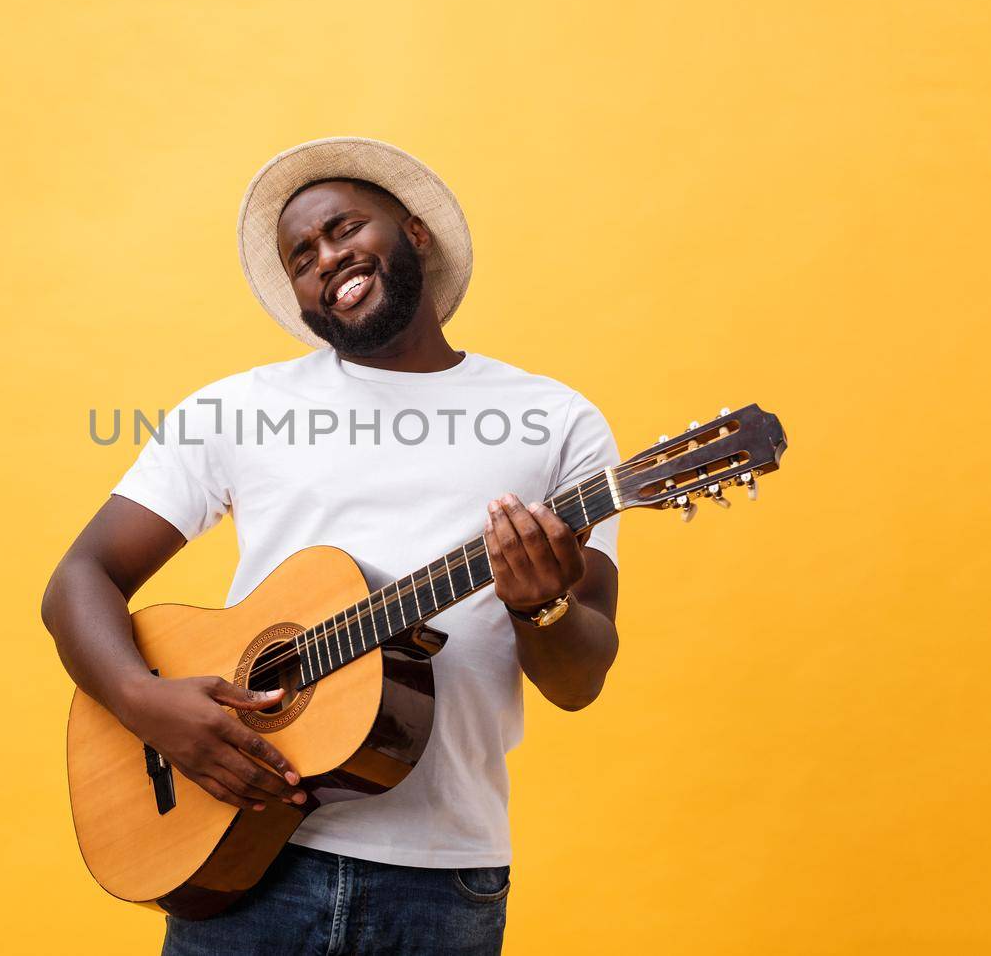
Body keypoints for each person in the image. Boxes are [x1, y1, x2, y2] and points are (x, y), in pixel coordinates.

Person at [42, 137, 622, 955]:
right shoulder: (241, 407)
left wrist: (544, 604)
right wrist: (148, 705)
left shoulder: (555, 423)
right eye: (301, 256)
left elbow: (580, 679)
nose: (327, 259)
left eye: (345, 227)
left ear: (415, 231)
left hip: (442, 881)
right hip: (241, 858)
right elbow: (79, 579)